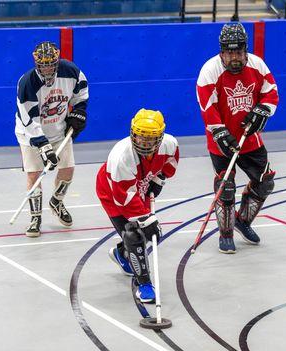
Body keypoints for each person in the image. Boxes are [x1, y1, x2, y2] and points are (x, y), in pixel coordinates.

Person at [196, 23, 279, 254]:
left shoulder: (257, 65)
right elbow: (207, 106)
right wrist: (220, 132)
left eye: (239, 52)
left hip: (249, 138)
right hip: (221, 140)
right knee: (226, 186)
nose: (235, 57)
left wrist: (263, 110)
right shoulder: (209, 71)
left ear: (245, 50)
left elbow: (271, 91)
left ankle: (242, 221)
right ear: (222, 51)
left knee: (265, 182)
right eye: (230, 52)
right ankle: (226, 233)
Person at [96, 109, 179, 303]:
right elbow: (124, 198)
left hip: (140, 185)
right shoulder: (121, 156)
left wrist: (158, 180)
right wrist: (146, 220)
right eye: (141, 138)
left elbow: (170, 162)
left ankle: (122, 253)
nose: (144, 143)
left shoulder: (170, 144)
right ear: (133, 133)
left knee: (140, 234)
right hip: (113, 192)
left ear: (160, 137)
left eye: (150, 139)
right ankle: (144, 284)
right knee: (134, 234)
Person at [15, 41, 89, 237]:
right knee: (35, 173)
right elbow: (29, 119)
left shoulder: (71, 71)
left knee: (68, 169)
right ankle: (35, 217)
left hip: (59, 129)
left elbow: (81, 95)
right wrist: (43, 146)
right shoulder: (27, 83)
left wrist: (79, 113)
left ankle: (57, 201)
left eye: (51, 64)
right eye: (43, 64)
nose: (47, 68)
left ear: (57, 61)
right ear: (36, 63)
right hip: (30, 133)